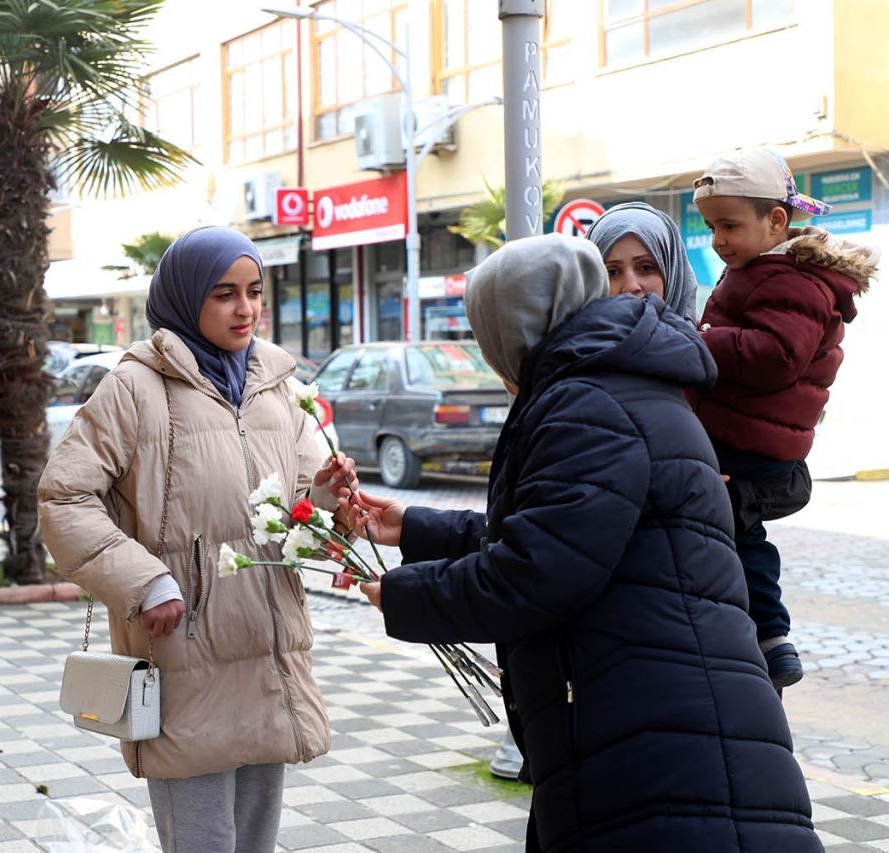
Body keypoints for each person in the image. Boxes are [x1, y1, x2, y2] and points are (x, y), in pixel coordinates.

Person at [346, 234, 820, 851]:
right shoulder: (614, 384)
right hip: (651, 722)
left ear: (516, 327)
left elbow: (539, 571)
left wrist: (405, 594)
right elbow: (570, 529)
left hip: (661, 741)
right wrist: (414, 527)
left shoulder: (586, 401)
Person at [38, 226, 351, 853]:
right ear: (185, 299)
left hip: (269, 655)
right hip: (184, 654)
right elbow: (63, 498)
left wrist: (327, 497)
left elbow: (298, 512)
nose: (245, 309)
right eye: (224, 294)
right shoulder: (135, 388)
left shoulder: (277, 387)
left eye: (255, 292)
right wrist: (144, 580)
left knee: (256, 842)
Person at [691, 148, 879, 690]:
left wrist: (699, 340)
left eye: (729, 225)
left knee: (734, 534)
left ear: (776, 221)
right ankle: (766, 639)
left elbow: (776, 356)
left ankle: (770, 637)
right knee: (737, 535)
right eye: (710, 226)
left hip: (751, 441)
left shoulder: (787, 279)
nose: (718, 239)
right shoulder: (760, 273)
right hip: (751, 434)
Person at [587, 201, 699, 323]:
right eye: (612, 272)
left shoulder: (710, 341)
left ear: (672, 273)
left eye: (646, 268)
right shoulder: (575, 341)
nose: (631, 287)